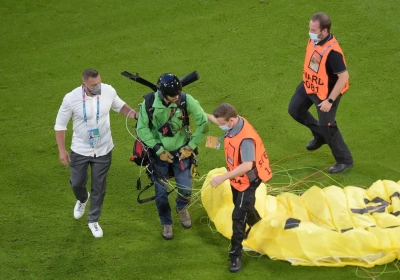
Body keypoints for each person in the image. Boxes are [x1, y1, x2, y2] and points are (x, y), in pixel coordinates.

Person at [54, 68, 138, 238]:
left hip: (104, 149)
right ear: (83, 84)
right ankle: (83, 198)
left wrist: (135, 115)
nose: (97, 86)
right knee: (77, 183)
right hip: (80, 149)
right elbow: (60, 125)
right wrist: (62, 150)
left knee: (99, 186)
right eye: (93, 85)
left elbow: (120, 106)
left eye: (99, 82)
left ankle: (93, 220)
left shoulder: (108, 91)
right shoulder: (71, 99)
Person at [136, 73, 209, 240]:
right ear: (162, 94)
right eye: (173, 96)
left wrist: (190, 147)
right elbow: (142, 128)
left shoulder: (185, 100)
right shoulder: (148, 103)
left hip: (182, 153)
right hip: (158, 154)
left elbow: (204, 122)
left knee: (185, 189)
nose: (176, 98)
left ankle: (182, 208)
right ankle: (166, 223)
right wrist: (158, 149)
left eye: (178, 94)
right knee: (161, 194)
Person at [206, 103, 272, 273]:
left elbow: (247, 165)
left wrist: (223, 177)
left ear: (232, 121)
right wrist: (199, 111)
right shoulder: (234, 124)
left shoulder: (246, 140)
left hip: (247, 181)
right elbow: (216, 119)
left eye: (222, 123)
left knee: (238, 216)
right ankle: (257, 224)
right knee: (243, 205)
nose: (219, 126)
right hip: (237, 179)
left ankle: (235, 255)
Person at [288, 12, 353, 173]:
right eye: (310, 28)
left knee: (328, 125)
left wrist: (330, 101)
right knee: (295, 110)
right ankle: (320, 135)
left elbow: (343, 77)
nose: (310, 32)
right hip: (311, 84)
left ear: (324, 31)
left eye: (314, 30)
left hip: (327, 93)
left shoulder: (333, 52)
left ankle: (345, 160)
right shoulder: (315, 39)